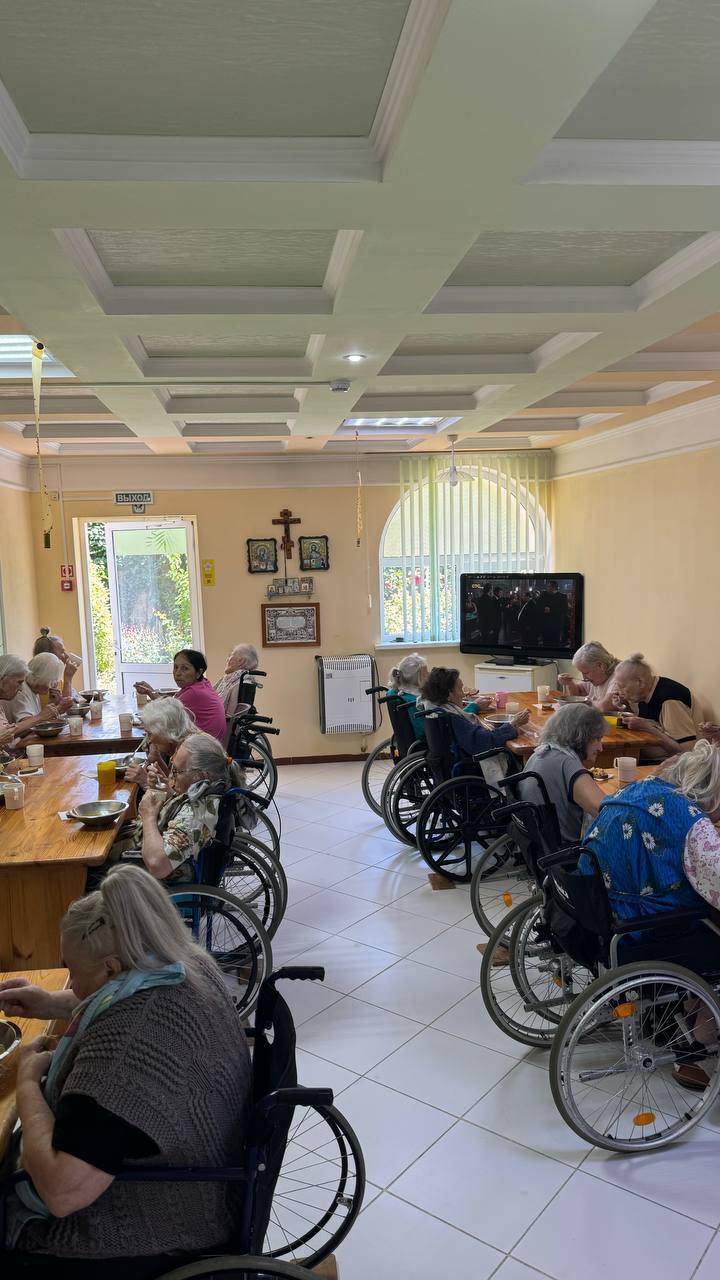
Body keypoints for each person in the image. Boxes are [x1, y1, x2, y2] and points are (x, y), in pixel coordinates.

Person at [0, 864, 251, 1278]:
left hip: (154, 1227)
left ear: (112, 969)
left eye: (73, 971)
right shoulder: (186, 963)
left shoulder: (126, 1051)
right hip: (209, 1183)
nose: (72, 984)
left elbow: (62, 1193)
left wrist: (27, 1081)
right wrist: (49, 1003)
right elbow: (110, 996)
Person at [99, 732, 243, 885]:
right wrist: (164, 790)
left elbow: (158, 865)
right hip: (139, 846)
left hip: (150, 879)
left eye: (177, 771)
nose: (172, 778)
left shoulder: (197, 813)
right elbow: (180, 804)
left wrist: (148, 816)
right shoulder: (205, 791)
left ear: (201, 776)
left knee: (91, 863)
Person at [521, 704, 608, 844]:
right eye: (597, 739)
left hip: (537, 841)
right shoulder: (568, 764)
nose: (600, 747)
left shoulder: (542, 753)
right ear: (581, 736)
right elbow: (606, 812)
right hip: (567, 849)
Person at [419, 666, 530, 758]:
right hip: (472, 767)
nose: (463, 694)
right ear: (449, 694)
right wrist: (513, 724)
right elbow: (485, 741)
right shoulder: (452, 717)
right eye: (460, 689)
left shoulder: (435, 709)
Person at [612, 652, 700, 761]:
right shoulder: (644, 692)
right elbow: (650, 721)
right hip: (650, 758)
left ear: (640, 682)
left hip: (675, 764)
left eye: (622, 686)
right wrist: (625, 705)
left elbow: (687, 753)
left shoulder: (670, 699)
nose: (619, 691)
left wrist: (647, 728)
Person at [135, 649, 227, 742]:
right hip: (208, 743)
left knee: (150, 738)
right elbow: (168, 706)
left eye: (185, 668)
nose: (178, 673)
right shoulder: (202, 684)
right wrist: (150, 691)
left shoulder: (194, 693)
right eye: (176, 667)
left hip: (202, 747)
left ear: (199, 672)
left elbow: (165, 713)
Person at [125, 697, 196, 790]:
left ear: (166, 732)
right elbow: (173, 782)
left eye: (150, 734)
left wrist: (145, 782)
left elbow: (179, 797)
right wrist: (156, 758)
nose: (149, 740)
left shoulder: (188, 753)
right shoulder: (184, 742)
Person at [2, 654, 73, 729]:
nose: (51, 686)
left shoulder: (33, 690)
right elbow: (28, 727)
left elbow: (37, 720)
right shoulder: (19, 691)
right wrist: (57, 709)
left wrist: (53, 706)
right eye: (51, 681)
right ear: (41, 678)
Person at [557, 641, 620, 711]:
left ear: (600, 665)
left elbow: (605, 707)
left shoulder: (619, 676)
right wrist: (569, 683)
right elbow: (578, 693)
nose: (584, 677)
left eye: (586, 673)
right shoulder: (597, 675)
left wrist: (586, 702)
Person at [214, 643, 260, 718]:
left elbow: (230, 717)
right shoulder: (228, 680)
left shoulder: (240, 683)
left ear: (241, 661)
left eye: (231, 655)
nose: (227, 659)